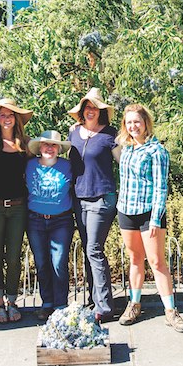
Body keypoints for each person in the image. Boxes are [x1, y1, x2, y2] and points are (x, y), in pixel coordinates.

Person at [116, 103, 183, 333]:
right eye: (129, 122)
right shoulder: (126, 148)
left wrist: (156, 219)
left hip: (149, 214)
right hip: (126, 211)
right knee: (135, 259)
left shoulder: (157, 151)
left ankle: (170, 311)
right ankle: (134, 304)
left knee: (157, 262)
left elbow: (161, 188)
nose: (133, 126)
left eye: (137, 122)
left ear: (145, 123)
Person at [67, 88, 119, 322]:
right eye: (87, 107)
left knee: (94, 249)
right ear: (82, 111)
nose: (91, 111)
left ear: (101, 111)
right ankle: (94, 299)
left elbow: (123, 161)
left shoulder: (110, 134)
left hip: (102, 197)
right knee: (89, 250)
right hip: (79, 198)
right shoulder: (73, 133)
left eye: (95, 107)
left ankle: (105, 307)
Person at [0, 98, 32, 324]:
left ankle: (12, 300)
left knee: (13, 257)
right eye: (2, 114)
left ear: (16, 119)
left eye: (10, 115)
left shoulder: (26, 144)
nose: (7, 118)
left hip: (18, 206)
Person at [24, 130, 74, 322]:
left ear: (59, 149)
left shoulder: (67, 166)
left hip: (61, 220)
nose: (50, 148)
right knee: (41, 262)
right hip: (35, 220)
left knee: (58, 262)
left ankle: (60, 305)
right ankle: (47, 303)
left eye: (54, 145)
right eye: (46, 144)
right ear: (39, 147)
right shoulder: (29, 165)